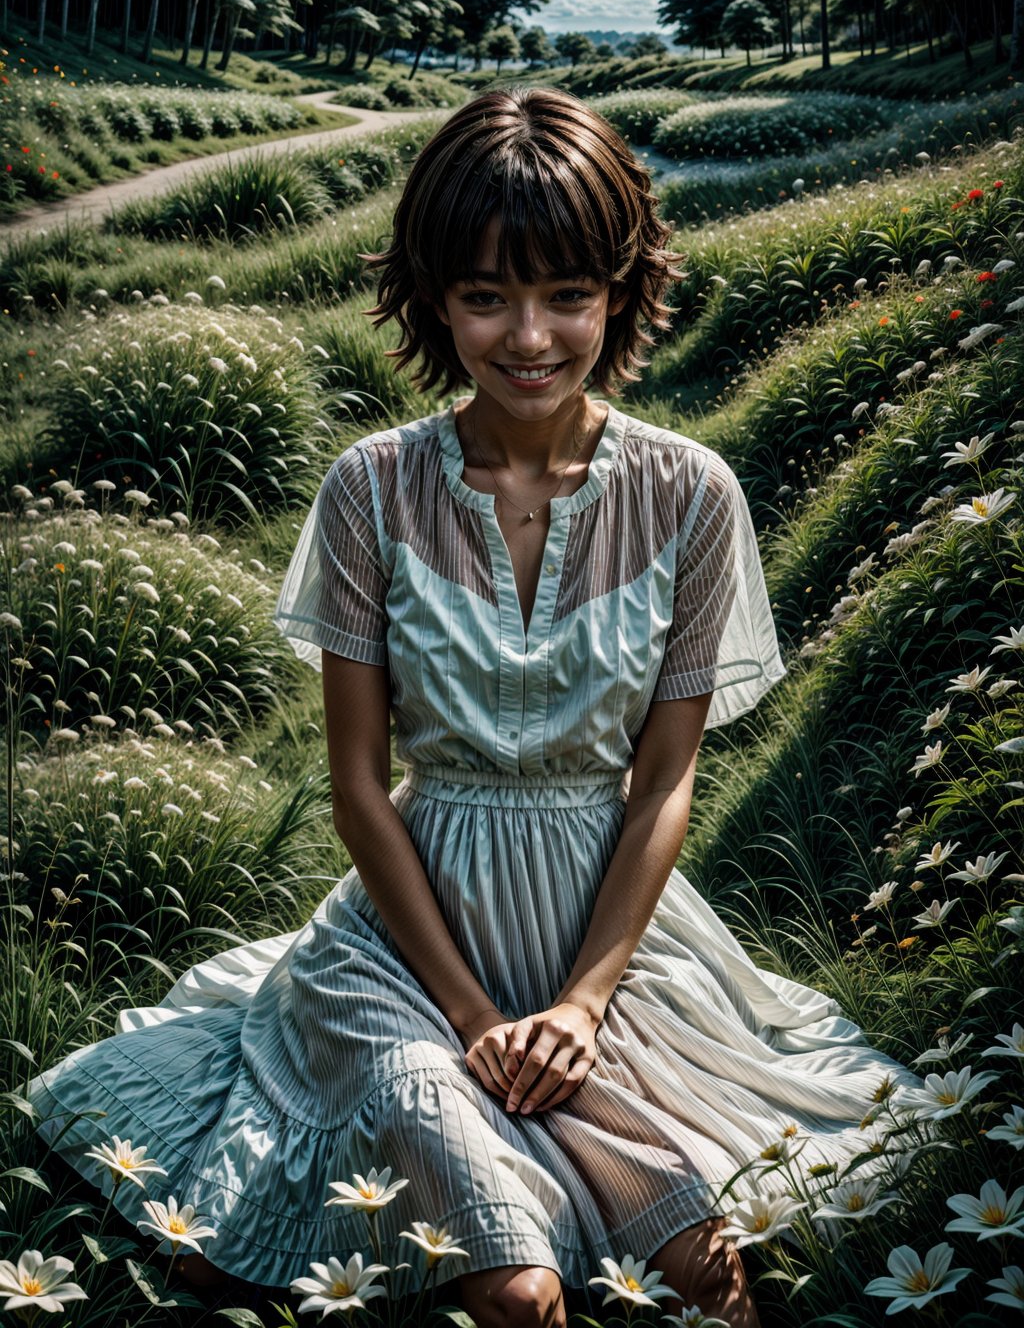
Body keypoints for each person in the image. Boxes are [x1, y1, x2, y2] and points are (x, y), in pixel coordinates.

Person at [27, 86, 921, 1328]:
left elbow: (663, 781)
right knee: (516, 1291)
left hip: (608, 941)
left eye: (566, 293)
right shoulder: (371, 489)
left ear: (621, 291)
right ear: (433, 298)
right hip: (403, 948)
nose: (531, 337)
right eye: (486, 295)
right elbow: (356, 785)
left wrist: (578, 1006)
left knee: (715, 1285)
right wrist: (475, 1016)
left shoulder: (690, 493)